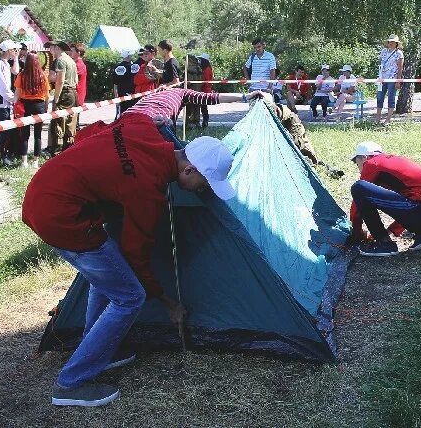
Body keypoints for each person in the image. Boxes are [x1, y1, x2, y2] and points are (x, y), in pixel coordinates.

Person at [23, 86, 267, 408]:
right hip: (61, 217)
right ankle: (71, 383)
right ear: (189, 169)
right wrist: (168, 303)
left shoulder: (140, 127)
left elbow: (120, 122)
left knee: (107, 278)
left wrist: (157, 121)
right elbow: (137, 256)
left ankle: (97, 348)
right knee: (129, 296)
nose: (203, 191)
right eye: (205, 184)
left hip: (45, 189)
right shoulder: (147, 189)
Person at [347, 142, 421, 257]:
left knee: (359, 187)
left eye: (356, 162)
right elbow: (405, 204)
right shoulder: (393, 163)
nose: (358, 167)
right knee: (408, 201)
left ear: (364, 157)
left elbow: (357, 204)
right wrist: (391, 231)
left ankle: (384, 245)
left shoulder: (371, 164)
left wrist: (356, 232)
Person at [14, 53, 50, 168]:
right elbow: (47, 95)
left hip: (25, 105)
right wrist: (46, 106)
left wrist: (15, 104)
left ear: (26, 61)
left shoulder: (21, 75)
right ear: (37, 61)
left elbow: (17, 93)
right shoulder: (42, 75)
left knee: (24, 134)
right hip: (39, 105)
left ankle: (24, 161)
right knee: (38, 134)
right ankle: (35, 161)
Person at [44, 40, 78, 155]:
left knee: (58, 121)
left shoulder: (60, 61)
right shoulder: (70, 60)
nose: (50, 50)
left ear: (57, 48)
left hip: (64, 92)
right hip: (73, 92)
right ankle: (69, 149)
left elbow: (60, 81)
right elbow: (76, 79)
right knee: (70, 121)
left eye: (51, 48)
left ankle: (57, 151)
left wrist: (56, 98)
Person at [375, 34, 404, 126]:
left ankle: (388, 119)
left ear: (396, 44)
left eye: (392, 42)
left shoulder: (399, 53)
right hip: (382, 78)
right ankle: (378, 118)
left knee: (391, 99)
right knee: (379, 98)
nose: (390, 43)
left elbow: (400, 68)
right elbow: (380, 62)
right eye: (389, 42)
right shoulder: (383, 51)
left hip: (392, 79)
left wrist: (398, 81)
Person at [112, 49, 139, 116]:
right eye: (131, 55)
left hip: (121, 96)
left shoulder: (116, 67)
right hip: (133, 95)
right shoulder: (134, 67)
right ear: (128, 56)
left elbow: (115, 85)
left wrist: (116, 97)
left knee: (121, 116)